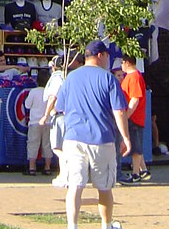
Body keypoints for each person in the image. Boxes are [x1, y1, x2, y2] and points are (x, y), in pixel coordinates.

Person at [53, 40, 131, 229]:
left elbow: (60, 107)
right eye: (106, 56)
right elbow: (119, 111)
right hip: (101, 139)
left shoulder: (70, 78)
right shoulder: (108, 79)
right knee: (104, 187)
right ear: (100, 55)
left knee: (75, 186)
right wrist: (126, 138)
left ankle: (72, 226)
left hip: (73, 138)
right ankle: (106, 224)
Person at [39, 50, 81, 188]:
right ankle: (66, 175)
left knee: (59, 148)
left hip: (60, 115)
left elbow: (53, 97)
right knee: (64, 148)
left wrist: (45, 115)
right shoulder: (69, 76)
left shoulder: (57, 78)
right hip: (68, 115)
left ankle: (65, 175)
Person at [118, 54, 149, 183]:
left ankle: (136, 174)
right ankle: (143, 170)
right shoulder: (131, 77)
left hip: (134, 117)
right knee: (135, 144)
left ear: (127, 63)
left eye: (122, 63)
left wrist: (127, 115)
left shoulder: (134, 77)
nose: (121, 65)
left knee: (136, 147)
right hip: (132, 116)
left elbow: (135, 98)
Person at [24, 68, 53, 175]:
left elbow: (27, 105)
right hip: (48, 121)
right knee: (47, 144)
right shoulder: (50, 92)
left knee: (33, 144)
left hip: (35, 122)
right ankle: (47, 167)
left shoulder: (34, 92)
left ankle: (32, 168)